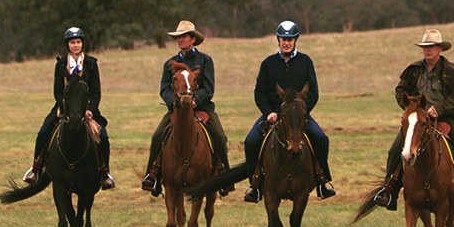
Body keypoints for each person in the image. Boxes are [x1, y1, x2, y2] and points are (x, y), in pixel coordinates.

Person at [370, 29, 454, 210]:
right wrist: (411, 108)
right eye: (425, 47)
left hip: (445, 118)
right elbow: (400, 91)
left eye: (431, 47)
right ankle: (388, 191)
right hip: (418, 119)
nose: (427, 50)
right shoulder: (413, 70)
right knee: (395, 150)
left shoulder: (451, 71)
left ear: (440, 49)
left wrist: (439, 109)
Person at [243, 20, 337, 202]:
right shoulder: (268, 63)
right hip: (273, 114)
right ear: (278, 40)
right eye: (283, 39)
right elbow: (259, 93)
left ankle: (322, 181)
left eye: (290, 39)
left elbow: (314, 92)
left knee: (321, 138)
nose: (286, 42)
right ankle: (255, 185)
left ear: (295, 40)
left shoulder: (306, 61)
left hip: (298, 116)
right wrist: (268, 112)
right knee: (251, 141)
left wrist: (302, 113)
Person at [141, 20, 233, 196]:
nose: (180, 40)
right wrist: (173, 103)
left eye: (184, 37)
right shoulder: (170, 63)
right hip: (177, 110)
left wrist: (195, 101)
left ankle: (224, 177)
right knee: (157, 135)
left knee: (220, 136)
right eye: (178, 37)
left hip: (202, 108)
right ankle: (152, 176)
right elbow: (164, 89)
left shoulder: (205, 60)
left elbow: (209, 88)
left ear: (193, 39)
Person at [22, 26, 115, 190]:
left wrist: (90, 109)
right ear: (67, 45)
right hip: (64, 108)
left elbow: (96, 92)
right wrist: (63, 106)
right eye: (72, 42)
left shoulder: (91, 64)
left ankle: (104, 173)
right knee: (43, 132)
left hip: (87, 109)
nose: (76, 45)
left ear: (82, 43)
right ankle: (36, 168)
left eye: (78, 42)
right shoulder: (60, 64)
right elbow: (57, 90)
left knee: (103, 136)